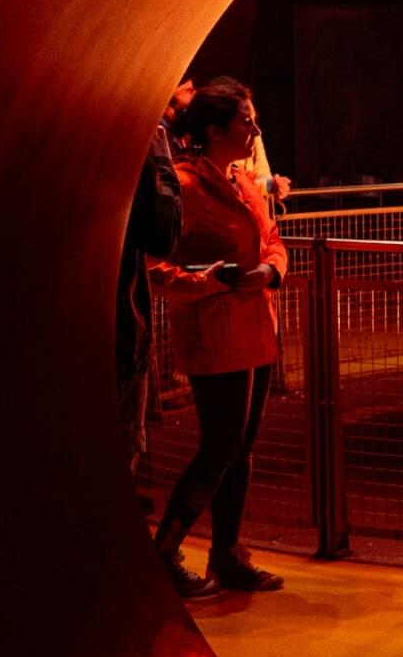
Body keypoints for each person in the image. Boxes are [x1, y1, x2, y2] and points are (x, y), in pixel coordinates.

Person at [149, 78, 288, 599]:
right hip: (215, 335)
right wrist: (210, 281)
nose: (254, 130)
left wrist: (270, 272)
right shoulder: (183, 187)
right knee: (221, 445)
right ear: (213, 129)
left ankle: (227, 555)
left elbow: (272, 240)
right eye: (245, 121)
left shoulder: (242, 182)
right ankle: (164, 552)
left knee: (241, 446)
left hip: (255, 327)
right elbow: (157, 268)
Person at [116, 106, 183, 511]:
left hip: (106, 331)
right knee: (124, 447)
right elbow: (163, 234)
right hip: (123, 329)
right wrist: (160, 160)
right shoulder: (135, 144)